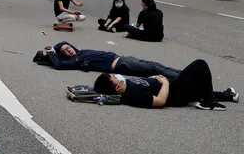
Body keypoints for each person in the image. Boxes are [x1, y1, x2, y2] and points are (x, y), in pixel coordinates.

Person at [93, 59, 238, 111]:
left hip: (174, 86)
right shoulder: (132, 96)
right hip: (176, 94)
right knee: (199, 65)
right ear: (117, 88)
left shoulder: (127, 84)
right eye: (114, 77)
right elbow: (160, 101)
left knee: (201, 86)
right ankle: (208, 102)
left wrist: (154, 78)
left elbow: (146, 83)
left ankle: (228, 96)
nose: (116, 76)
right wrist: (164, 83)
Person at [40, 41, 181, 79]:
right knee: (154, 70)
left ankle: (183, 73)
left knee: (156, 65)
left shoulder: (80, 51)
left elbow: (64, 41)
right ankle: (185, 77)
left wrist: (56, 46)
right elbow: (58, 65)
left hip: (122, 58)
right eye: (65, 50)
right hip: (121, 64)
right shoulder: (75, 61)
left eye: (68, 47)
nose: (69, 49)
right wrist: (52, 52)